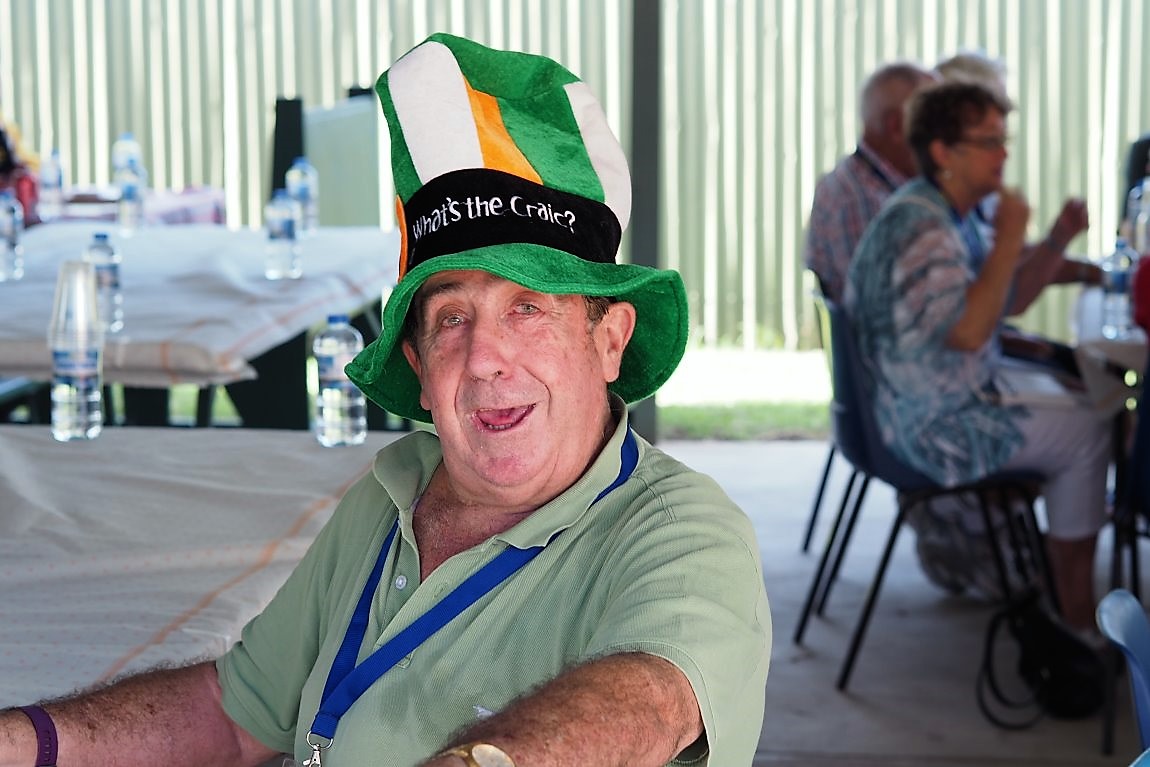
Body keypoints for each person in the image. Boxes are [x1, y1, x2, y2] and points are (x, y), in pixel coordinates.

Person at [0, 34, 770, 767]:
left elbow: (649, 700)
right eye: (452, 318)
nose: (485, 358)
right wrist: (20, 742)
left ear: (609, 340)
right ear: (417, 363)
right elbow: (230, 716)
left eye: (528, 307)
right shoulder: (389, 494)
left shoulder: (681, 531)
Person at [844, 81, 1111, 632]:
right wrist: (1011, 237)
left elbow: (1003, 300)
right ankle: (1077, 621)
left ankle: (1051, 584)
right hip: (928, 425)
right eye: (988, 142)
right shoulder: (923, 227)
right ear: (943, 151)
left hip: (923, 401)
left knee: (1088, 393)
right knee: (1088, 431)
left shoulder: (942, 211)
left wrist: (1055, 239)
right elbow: (969, 333)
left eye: (1002, 140)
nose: (1002, 154)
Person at [803, 60, 938, 303]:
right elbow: (886, 308)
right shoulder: (855, 197)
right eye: (936, 121)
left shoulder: (889, 185)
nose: (948, 136)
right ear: (896, 126)